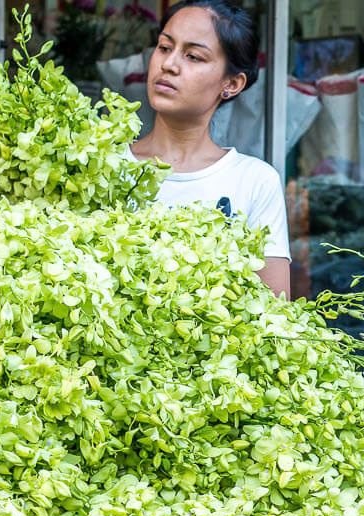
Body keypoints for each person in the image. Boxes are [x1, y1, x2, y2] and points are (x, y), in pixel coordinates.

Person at [129, 0, 291, 296]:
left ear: (231, 83)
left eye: (193, 56)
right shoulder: (104, 166)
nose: (169, 64)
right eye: (164, 47)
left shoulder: (255, 182)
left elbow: (276, 320)